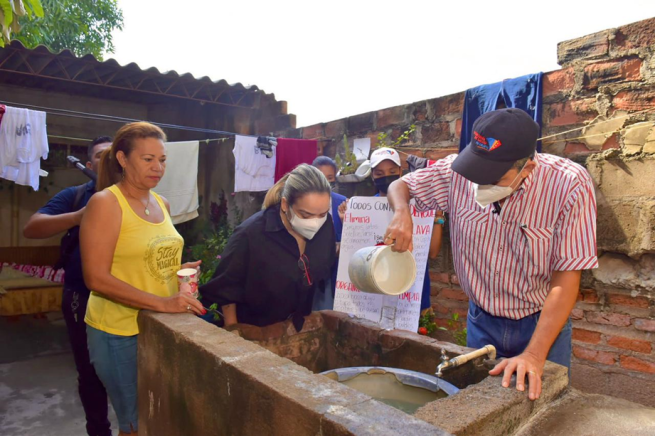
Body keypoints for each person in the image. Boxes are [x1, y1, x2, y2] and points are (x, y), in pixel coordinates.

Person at [383, 108, 597, 401]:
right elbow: (401, 184)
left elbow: (567, 276)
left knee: (542, 409)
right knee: (478, 407)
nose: (480, 184)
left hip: (541, 322)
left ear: (527, 168)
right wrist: (401, 211)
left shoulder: (569, 184)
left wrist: (534, 355)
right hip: (481, 322)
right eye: (477, 172)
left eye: (493, 176)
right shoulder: (455, 173)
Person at [80, 122, 204, 436]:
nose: (157, 167)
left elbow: (149, 259)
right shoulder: (106, 203)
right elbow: (96, 277)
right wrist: (164, 302)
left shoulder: (161, 203)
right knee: (135, 423)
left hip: (159, 324)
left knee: (158, 414)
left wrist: (180, 271)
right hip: (119, 331)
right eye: (147, 159)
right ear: (122, 159)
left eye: (162, 160)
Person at [23, 136, 113, 436]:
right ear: (89, 164)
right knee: (90, 372)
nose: (107, 159)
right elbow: (32, 227)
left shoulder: (134, 196)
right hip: (82, 296)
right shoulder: (75, 195)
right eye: (100, 155)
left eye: (113, 154)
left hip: (126, 298)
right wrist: (77, 216)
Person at [200, 164, 336, 331]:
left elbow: (322, 261)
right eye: (306, 215)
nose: (315, 223)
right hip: (256, 330)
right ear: (285, 205)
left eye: (322, 214)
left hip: (299, 327)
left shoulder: (326, 226)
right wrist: (234, 331)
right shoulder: (251, 235)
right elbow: (226, 289)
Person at [339, 147, 443, 313]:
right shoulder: (363, 209)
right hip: (376, 291)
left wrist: (437, 218)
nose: (386, 177)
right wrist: (349, 223)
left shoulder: (421, 205)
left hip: (413, 293)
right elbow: (359, 251)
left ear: (401, 171)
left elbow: (432, 252)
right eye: (379, 173)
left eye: (392, 171)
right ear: (372, 176)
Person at [311, 156, 347, 310]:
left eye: (330, 178)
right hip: (314, 269)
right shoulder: (304, 203)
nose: (325, 182)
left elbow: (355, 236)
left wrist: (346, 222)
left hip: (338, 270)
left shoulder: (344, 203)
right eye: (320, 177)